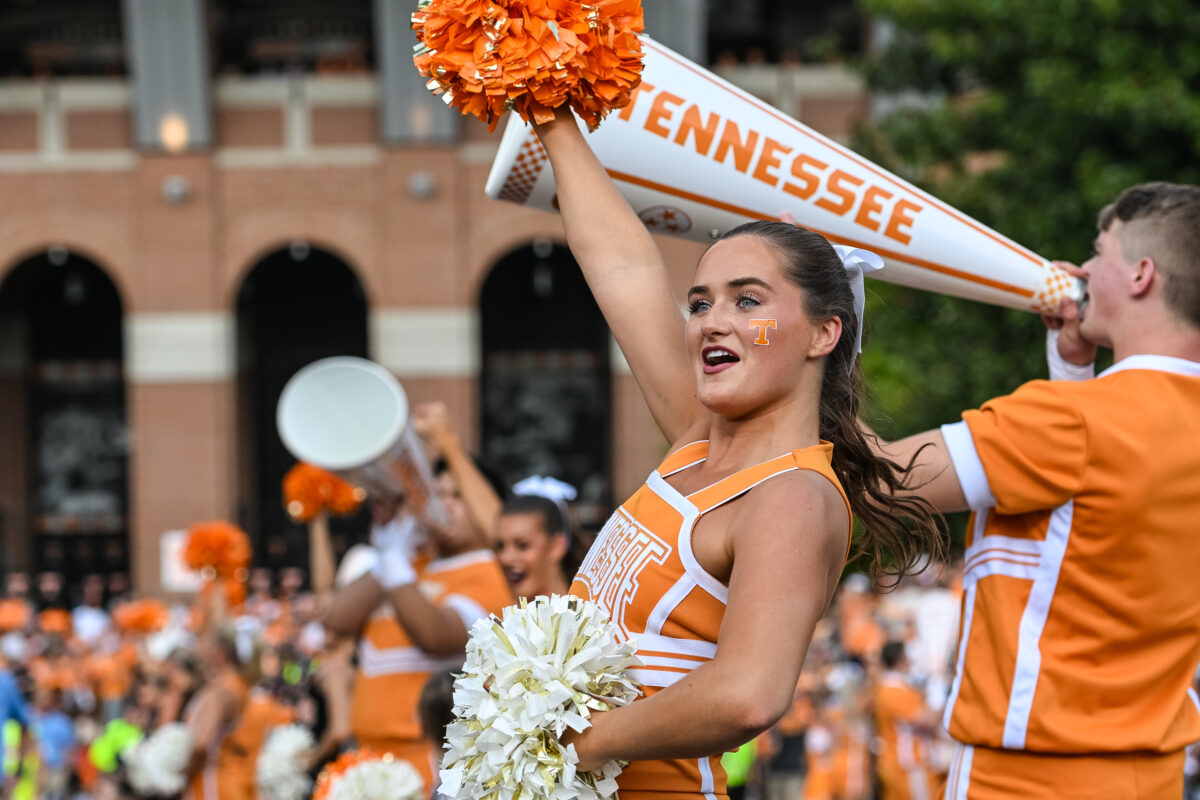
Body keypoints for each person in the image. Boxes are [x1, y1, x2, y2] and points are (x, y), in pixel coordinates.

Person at [532, 109, 944, 800]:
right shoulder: (696, 438)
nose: (712, 321)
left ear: (822, 334)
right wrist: (549, 115)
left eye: (747, 300)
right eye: (700, 303)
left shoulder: (792, 496)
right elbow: (624, 264)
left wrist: (576, 742)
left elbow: (749, 693)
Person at [867, 182, 1200, 797]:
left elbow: (878, 481)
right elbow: (1087, 534)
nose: (1082, 268)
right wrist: (1072, 373)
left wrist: (825, 323)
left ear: (1141, 274)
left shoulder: (1074, 422)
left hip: (1024, 776)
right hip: (1152, 775)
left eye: (1099, 252)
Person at [323, 459, 513, 790]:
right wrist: (391, 549)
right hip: (366, 759)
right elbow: (337, 620)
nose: (444, 505)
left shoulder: (490, 571)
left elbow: (435, 634)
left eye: (458, 496)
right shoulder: (409, 563)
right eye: (437, 494)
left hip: (425, 762)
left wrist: (395, 562)